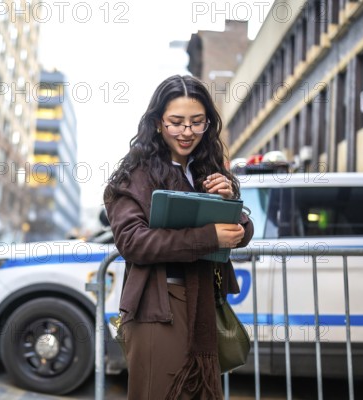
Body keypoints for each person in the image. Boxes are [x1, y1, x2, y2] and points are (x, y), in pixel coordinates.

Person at [103, 75, 254, 400]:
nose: (187, 131)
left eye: (197, 122)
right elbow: (134, 243)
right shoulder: (135, 178)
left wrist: (230, 203)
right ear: (158, 123)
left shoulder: (207, 170)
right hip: (159, 309)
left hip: (202, 305)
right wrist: (208, 237)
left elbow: (241, 234)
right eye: (177, 122)